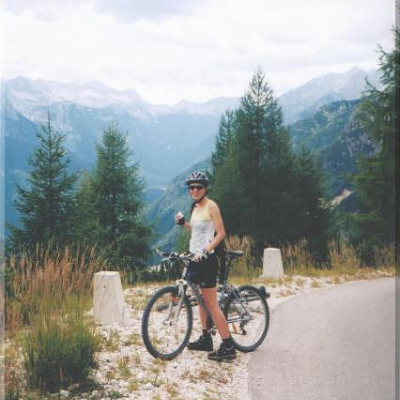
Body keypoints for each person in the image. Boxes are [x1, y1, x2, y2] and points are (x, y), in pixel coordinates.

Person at [174, 171, 236, 361]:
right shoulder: (195, 207)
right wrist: (184, 223)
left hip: (207, 259)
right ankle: (206, 338)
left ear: (205, 188)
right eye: (191, 187)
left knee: (211, 303)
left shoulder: (211, 206)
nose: (194, 190)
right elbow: (196, 230)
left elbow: (221, 233)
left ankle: (228, 346)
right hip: (195, 257)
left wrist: (206, 250)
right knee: (200, 299)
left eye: (198, 187)